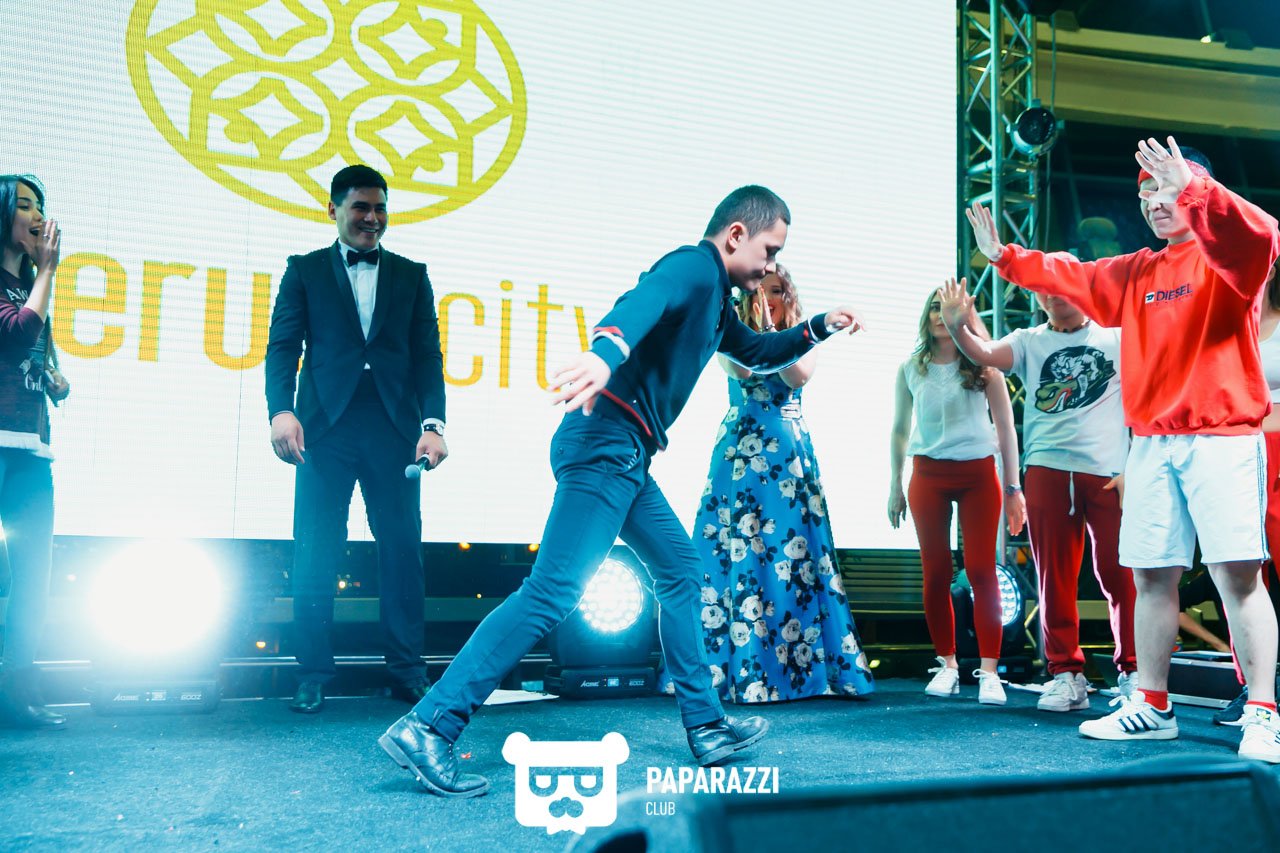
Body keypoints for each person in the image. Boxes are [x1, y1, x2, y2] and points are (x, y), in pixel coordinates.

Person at [378, 186, 867, 798]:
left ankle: (708, 726)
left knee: (682, 570)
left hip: (626, 455)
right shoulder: (693, 267)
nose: (772, 263)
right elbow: (643, 300)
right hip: (604, 445)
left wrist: (819, 326)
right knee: (551, 593)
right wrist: (606, 353)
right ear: (737, 235)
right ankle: (430, 725)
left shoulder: (717, 302)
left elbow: (759, 352)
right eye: (769, 249)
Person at [966, 136, 1280, 762]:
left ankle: (1264, 712)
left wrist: (1195, 188)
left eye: (1165, 188)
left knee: (1237, 577)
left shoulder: (1232, 261)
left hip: (1221, 438)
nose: (1154, 202)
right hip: (1153, 443)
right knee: (1151, 576)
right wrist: (1007, 257)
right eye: (1146, 193)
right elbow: (1075, 276)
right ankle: (1153, 706)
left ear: (1195, 191)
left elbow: (1263, 234)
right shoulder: (1138, 271)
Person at [265, 165, 446, 714]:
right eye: (361, 207)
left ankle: (408, 671)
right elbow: (283, 347)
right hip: (323, 429)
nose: (373, 218)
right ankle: (312, 673)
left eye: (380, 208)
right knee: (315, 549)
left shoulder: (411, 275)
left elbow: (427, 356)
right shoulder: (303, 270)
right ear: (334, 210)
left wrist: (433, 425)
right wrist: (281, 412)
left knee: (402, 550)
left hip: (394, 428)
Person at [938, 277, 1137, 713]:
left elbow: (1145, 400)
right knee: (1054, 578)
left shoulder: (1118, 339)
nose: (1052, 295)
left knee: (1120, 573)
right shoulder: (1028, 340)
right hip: (1048, 468)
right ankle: (1066, 673)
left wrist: (1134, 463)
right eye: (1043, 289)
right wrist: (956, 325)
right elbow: (983, 353)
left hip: (1108, 472)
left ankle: (1134, 672)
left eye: (1061, 286)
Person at [679, 265, 875, 703]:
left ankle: (799, 672)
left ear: (789, 297)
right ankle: (730, 671)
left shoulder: (804, 338)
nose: (768, 298)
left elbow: (796, 377)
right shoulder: (729, 331)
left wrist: (775, 335)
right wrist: (754, 334)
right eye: (761, 291)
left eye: (777, 291)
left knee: (793, 556)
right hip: (740, 455)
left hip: (787, 458)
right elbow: (741, 371)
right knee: (735, 552)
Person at [888, 287, 1025, 706]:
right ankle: (947, 664)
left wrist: (1014, 488)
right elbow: (900, 429)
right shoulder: (911, 368)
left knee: (982, 571)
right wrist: (894, 484)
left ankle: (989, 671)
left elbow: (1006, 430)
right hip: (927, 474)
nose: (939, 315)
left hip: (978, 474)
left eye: (948, 308)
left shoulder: (985, 367)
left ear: (964, 316)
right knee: (936, 572)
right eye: (934, 307)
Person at [0, 174, 69, 728]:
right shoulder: (28, 281)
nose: (37, 215)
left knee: (32, 577)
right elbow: (17, 332)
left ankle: (18, 693)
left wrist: (54, 379)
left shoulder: (31, 284)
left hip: (31, 449)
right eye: (24, 205)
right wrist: (46, 270)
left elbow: (33, 349)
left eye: (40, 206)